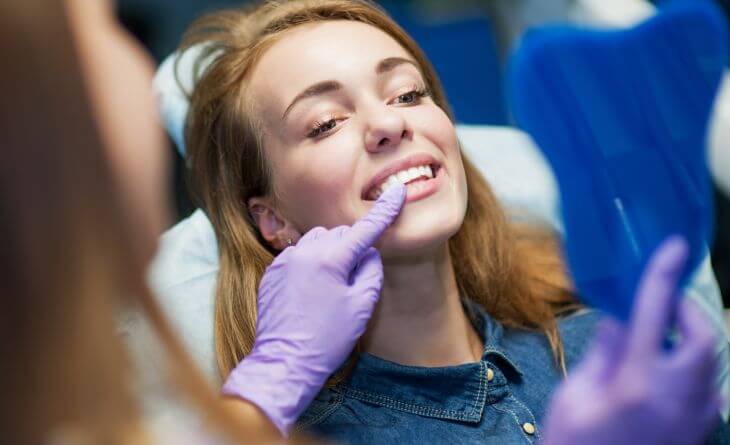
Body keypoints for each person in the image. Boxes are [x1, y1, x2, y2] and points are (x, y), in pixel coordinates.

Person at [169, 0, 728, 442]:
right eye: (325, 123)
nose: (388, 121)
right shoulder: (305, 436)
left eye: (408, 92)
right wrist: (273, 379)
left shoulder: (608, 353)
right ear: (272, 220)